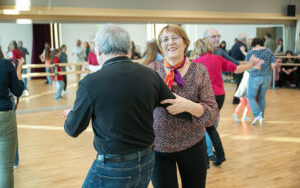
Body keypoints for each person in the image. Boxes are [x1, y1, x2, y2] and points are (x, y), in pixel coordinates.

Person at [63, 25, 190, 188]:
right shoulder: (150, 76)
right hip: (146, 161)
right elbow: (175, 106)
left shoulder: (90, 82)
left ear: (99, 49)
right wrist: (197, 109)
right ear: (128, 48)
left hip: (113, 167)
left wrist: (73, 114)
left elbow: (73, 129)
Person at [148, 25, 219, 188]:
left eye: (175, 38)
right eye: (165, 39)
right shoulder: (151, 70)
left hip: (193, 145)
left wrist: (188, 105)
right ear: (161, 46)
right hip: (158, 147)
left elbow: (212, 114)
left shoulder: (199, 71)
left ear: (185, 43)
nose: (170, 42)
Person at [192, 38, 260, 167]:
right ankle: (218, 156)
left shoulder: (195, 63)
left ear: (197, 49)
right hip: (220, 96)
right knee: (210, 127)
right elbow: (237, 69)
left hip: (206, 97)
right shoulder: (218, 58)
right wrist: (251, 64)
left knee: (204, 127)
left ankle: (206, 160)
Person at [0, 57, 24, 188]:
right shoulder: (5, 64)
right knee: (5, 168)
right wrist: (18, 70)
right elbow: (18, 90)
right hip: (4, 116)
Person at [245, 37, 276, 125]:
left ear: (253, 43)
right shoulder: (269, 51)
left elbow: (246, 66)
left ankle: (257, 114)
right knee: (261, 97)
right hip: (267, 77)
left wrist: (254, 67)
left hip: (254, 77)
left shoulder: (251, 52)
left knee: (251, 97)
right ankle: (261, 116)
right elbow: (273, 65)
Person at [229, 33, 248, 104]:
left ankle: (238, 99)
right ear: (244, 39)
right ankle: (236, 99)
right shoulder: (243, 46)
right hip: (241, 67)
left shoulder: (235, 45)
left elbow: (230, 55)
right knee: (240, 84)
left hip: (234, 66)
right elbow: (245, 58)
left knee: (239, 83)